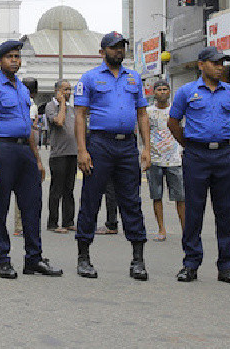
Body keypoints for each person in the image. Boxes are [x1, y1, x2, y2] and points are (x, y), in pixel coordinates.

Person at [0, 41, 63, 279]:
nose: (14, 60)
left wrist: (37, 159)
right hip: (2, 151)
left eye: (17, 56)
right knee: (0, 208)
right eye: (9, 57)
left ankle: (33, 259)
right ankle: (2, 259)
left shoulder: (23, 90)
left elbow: (29, 129)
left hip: (25, 151)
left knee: (32, 207)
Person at [72, 32, 151, 281]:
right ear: (102, 51)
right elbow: (80, 115)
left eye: (122, 47)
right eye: (114, 47)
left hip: (127, 147)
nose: (119, 51)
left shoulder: (134, 78)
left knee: (132, 202)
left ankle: (138, 260)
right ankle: (83, 258)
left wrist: (146, 148)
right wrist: (82, 150)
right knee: (91, 200)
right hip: (100, 145)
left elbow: (142, 115)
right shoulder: (90, 78)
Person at [167, 46, 230, 285]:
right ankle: (190, 264)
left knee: (225, 211)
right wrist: (190, 145)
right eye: (215, 63)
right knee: (194, 211)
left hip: (223, 156)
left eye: (222, 63)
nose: (220, 67)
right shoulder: (187, 91)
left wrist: (219, 139)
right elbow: (173, 122)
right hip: (196, 156)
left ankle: (226, 267)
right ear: (201, 65)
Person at [146, 80, 184, 242]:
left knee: (181, 197)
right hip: (154, 158)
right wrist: (146, 152)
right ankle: (161, 228)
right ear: (154, 92)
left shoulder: (176, 110)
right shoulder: (148, 112)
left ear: (169, 92)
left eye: (165, 89)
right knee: (157, 195)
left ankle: (185, 229)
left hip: (175, 158)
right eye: (159, 89)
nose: (162, 92)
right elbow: (143, 132)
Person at [45, 80, 78, 234]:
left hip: (72, 153)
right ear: (57, 91)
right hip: (59, 155)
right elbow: (59, 121)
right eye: (65, 90)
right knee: (56, 190)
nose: (68, 92)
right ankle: (53, 222)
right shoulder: (51, 107)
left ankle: (68, 221)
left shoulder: (72, 109)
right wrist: (62, 103)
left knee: (69, 190)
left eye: (70, 90)